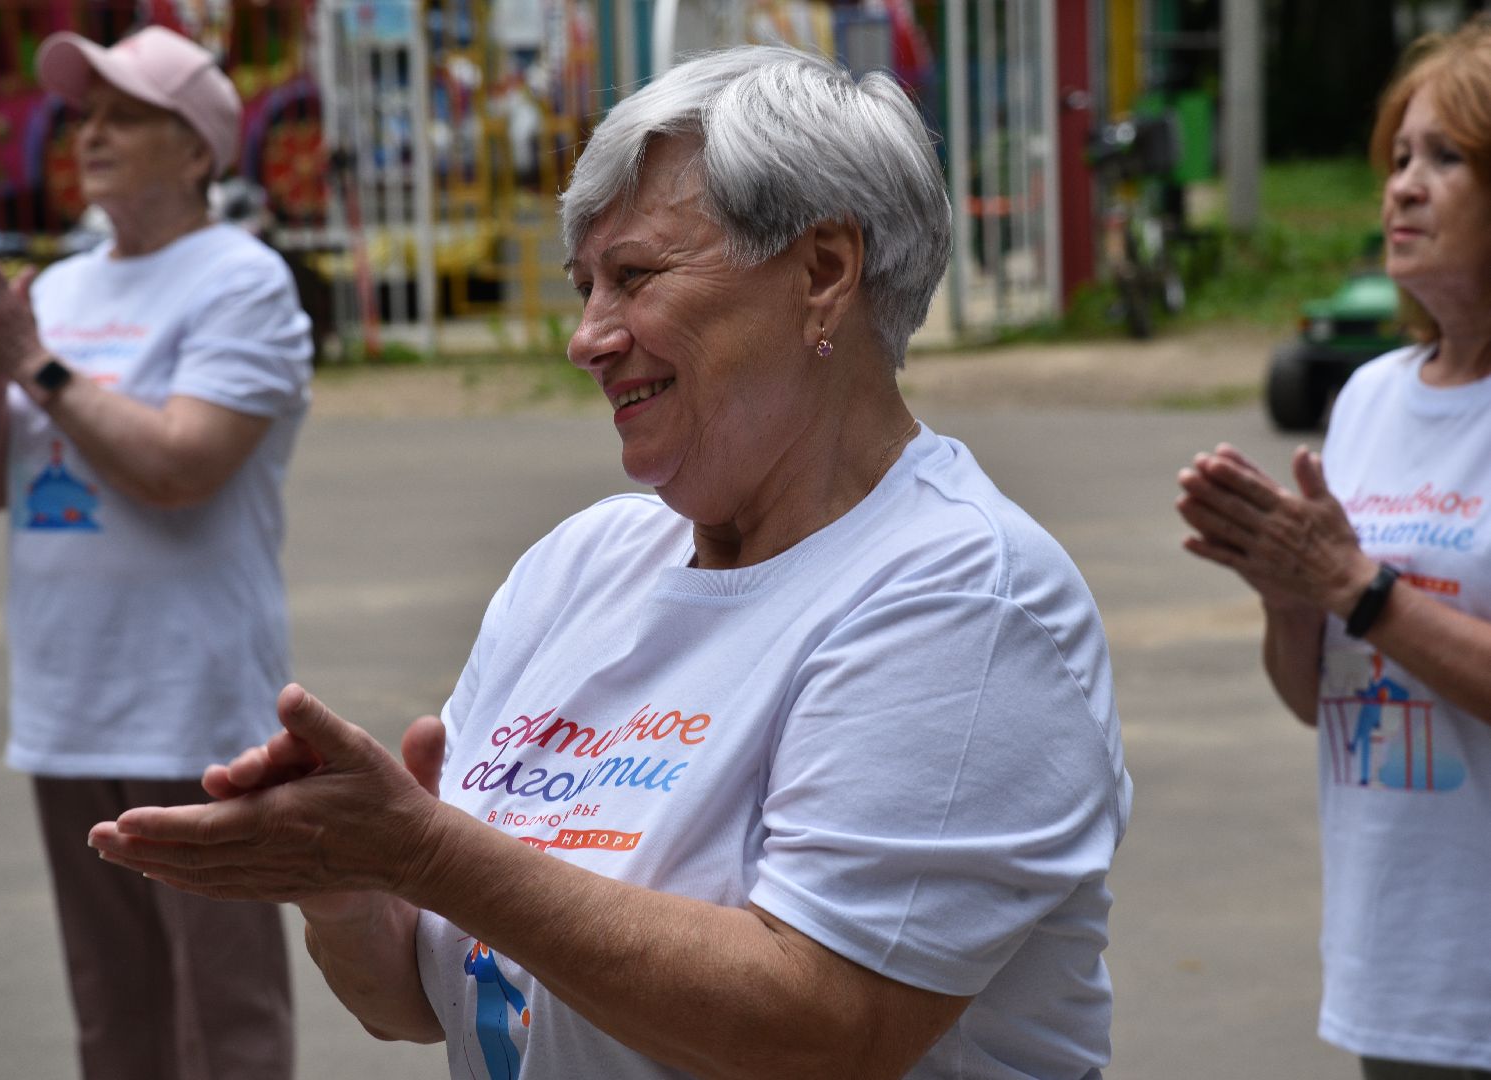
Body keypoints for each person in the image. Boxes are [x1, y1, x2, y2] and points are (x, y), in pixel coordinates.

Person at [90, 46, 1131, 1079]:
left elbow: (824, 1027)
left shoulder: (961, 597)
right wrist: (347, 883)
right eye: (585, 285)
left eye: (633, 277)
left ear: (823, 273)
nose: (587, 338)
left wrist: (426, 852)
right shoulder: (582, 565)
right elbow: (420, 999)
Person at [0, 25, 312, 1080]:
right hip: (68, 703)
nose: (90, 133)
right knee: (115, 1015)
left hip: (191, 707)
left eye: (124, 115)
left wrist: (36, 366)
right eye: (85, 114)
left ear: (197, 149)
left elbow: (181, 466)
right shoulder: (54, 289)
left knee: (225, 1019)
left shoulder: (241, 283)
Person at [1176, 19, 1491, 1079]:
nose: (1404, 186)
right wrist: (1287, 598)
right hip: (1393, 971)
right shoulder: (1367, 399)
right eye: (1398, 158)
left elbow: (1367, 601)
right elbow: (1320, 701)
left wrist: (1355, 588)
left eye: (1447, 158)